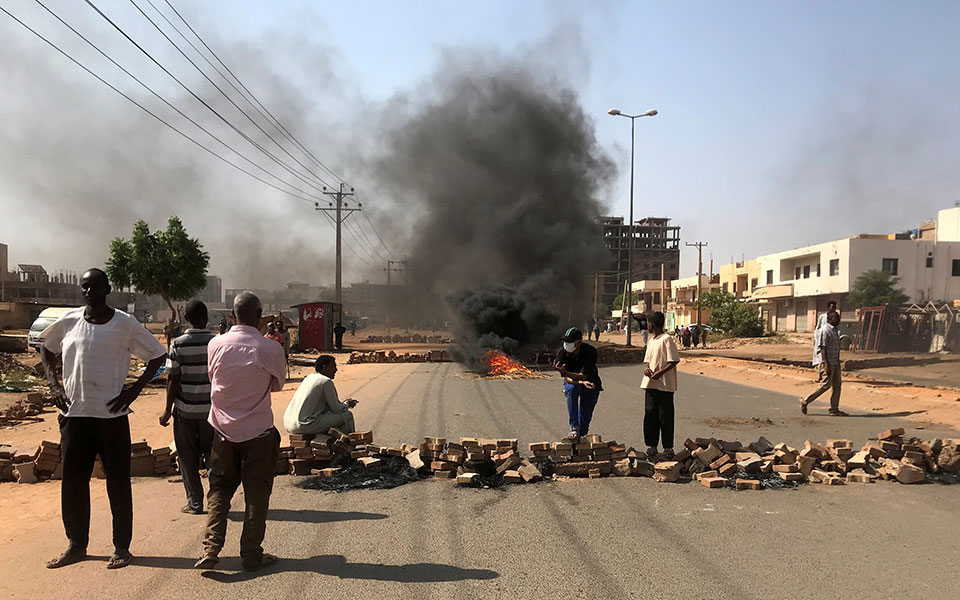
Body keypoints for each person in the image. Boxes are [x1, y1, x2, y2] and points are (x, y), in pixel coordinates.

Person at [40, 268, 167, 570]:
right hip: (75, 416)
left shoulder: (125, 324)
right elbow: (45, 348)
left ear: (107, 288)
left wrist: (133, 392)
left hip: (112, 418)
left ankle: (121, 547)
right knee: (72, 483)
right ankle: (75, 545)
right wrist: (54, 384)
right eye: (84, 287)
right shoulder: (69, 322)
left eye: (95, 286)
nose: (88, 291)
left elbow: (157, 356)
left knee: (118, 483)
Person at [195, 291, 286, 571]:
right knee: (256, 494)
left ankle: (211, 548)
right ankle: (251, 554)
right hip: (258, 432)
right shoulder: (270, 348)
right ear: (259, 316)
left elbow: (213, 378)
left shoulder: (215, 344)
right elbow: (278, 384)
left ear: (232, 316)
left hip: (222, 431)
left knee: (219, 489)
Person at [160, 300, 215, 515]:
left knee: (187, 457)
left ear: (186, 319)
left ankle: (194, 503)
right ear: (206, 318)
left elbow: (172, 379)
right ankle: (217, 502)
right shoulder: (216, 343)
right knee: (212, 456)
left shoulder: (178, 344)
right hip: (211, 411)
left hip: (185, 411)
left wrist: (166, 409)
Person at [283, 355, 359, 437]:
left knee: (329, 415)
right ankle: (349, 444)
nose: (336, 370)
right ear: (325, 367)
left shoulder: (309, 377)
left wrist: (343, 404)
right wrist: (347, 404)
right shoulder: (325, 381)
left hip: (288, 424)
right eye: (333, 366)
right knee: (347, 415)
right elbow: (336, 409)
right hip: (305, 424)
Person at [640, 311, 680, 459]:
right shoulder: (651, 341)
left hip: (664, 385)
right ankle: (652, 445)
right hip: (650, 384)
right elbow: (647, 359)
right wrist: (646, 368)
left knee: (665, 416)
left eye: (648, 323)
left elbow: (674, 360)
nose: (647, 326)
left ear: (652, 324)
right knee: (650, 415)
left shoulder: (666, 339)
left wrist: (660, 373)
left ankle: (668, 447)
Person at [552, 327, 603, 441]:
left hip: (591, 383)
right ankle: (574, 427)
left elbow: (583, 375)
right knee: (572, 389)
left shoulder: (590, 352)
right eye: (565, 341)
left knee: (585, 419)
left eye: (569, 342)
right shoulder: (562, 353)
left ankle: (580, 441)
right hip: (574, 383)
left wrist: (568, 374)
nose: (566, 344)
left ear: (579, 342)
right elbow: (566, 378)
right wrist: (577, 380)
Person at [800, 311, 848, 416]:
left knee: (837, 385)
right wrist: (826, 364)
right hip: (827, 362)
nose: (838, 320)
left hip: (835, 361)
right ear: (829, 319)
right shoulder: (824, 331)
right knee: (825, 385)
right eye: (835, 318)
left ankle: (834, 409)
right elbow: (823, 348)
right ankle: (805, 400)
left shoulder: (835, 330)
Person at [814, 301, 838, 382]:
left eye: (835, 307)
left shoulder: (835, 317)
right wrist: (816, 338)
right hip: (823, 338)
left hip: (831, 340)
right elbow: (818, 328)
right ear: (828, 307)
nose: (834, 309)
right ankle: (821, 376)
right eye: (832, 307)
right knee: (822, 358)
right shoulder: (822, 317)